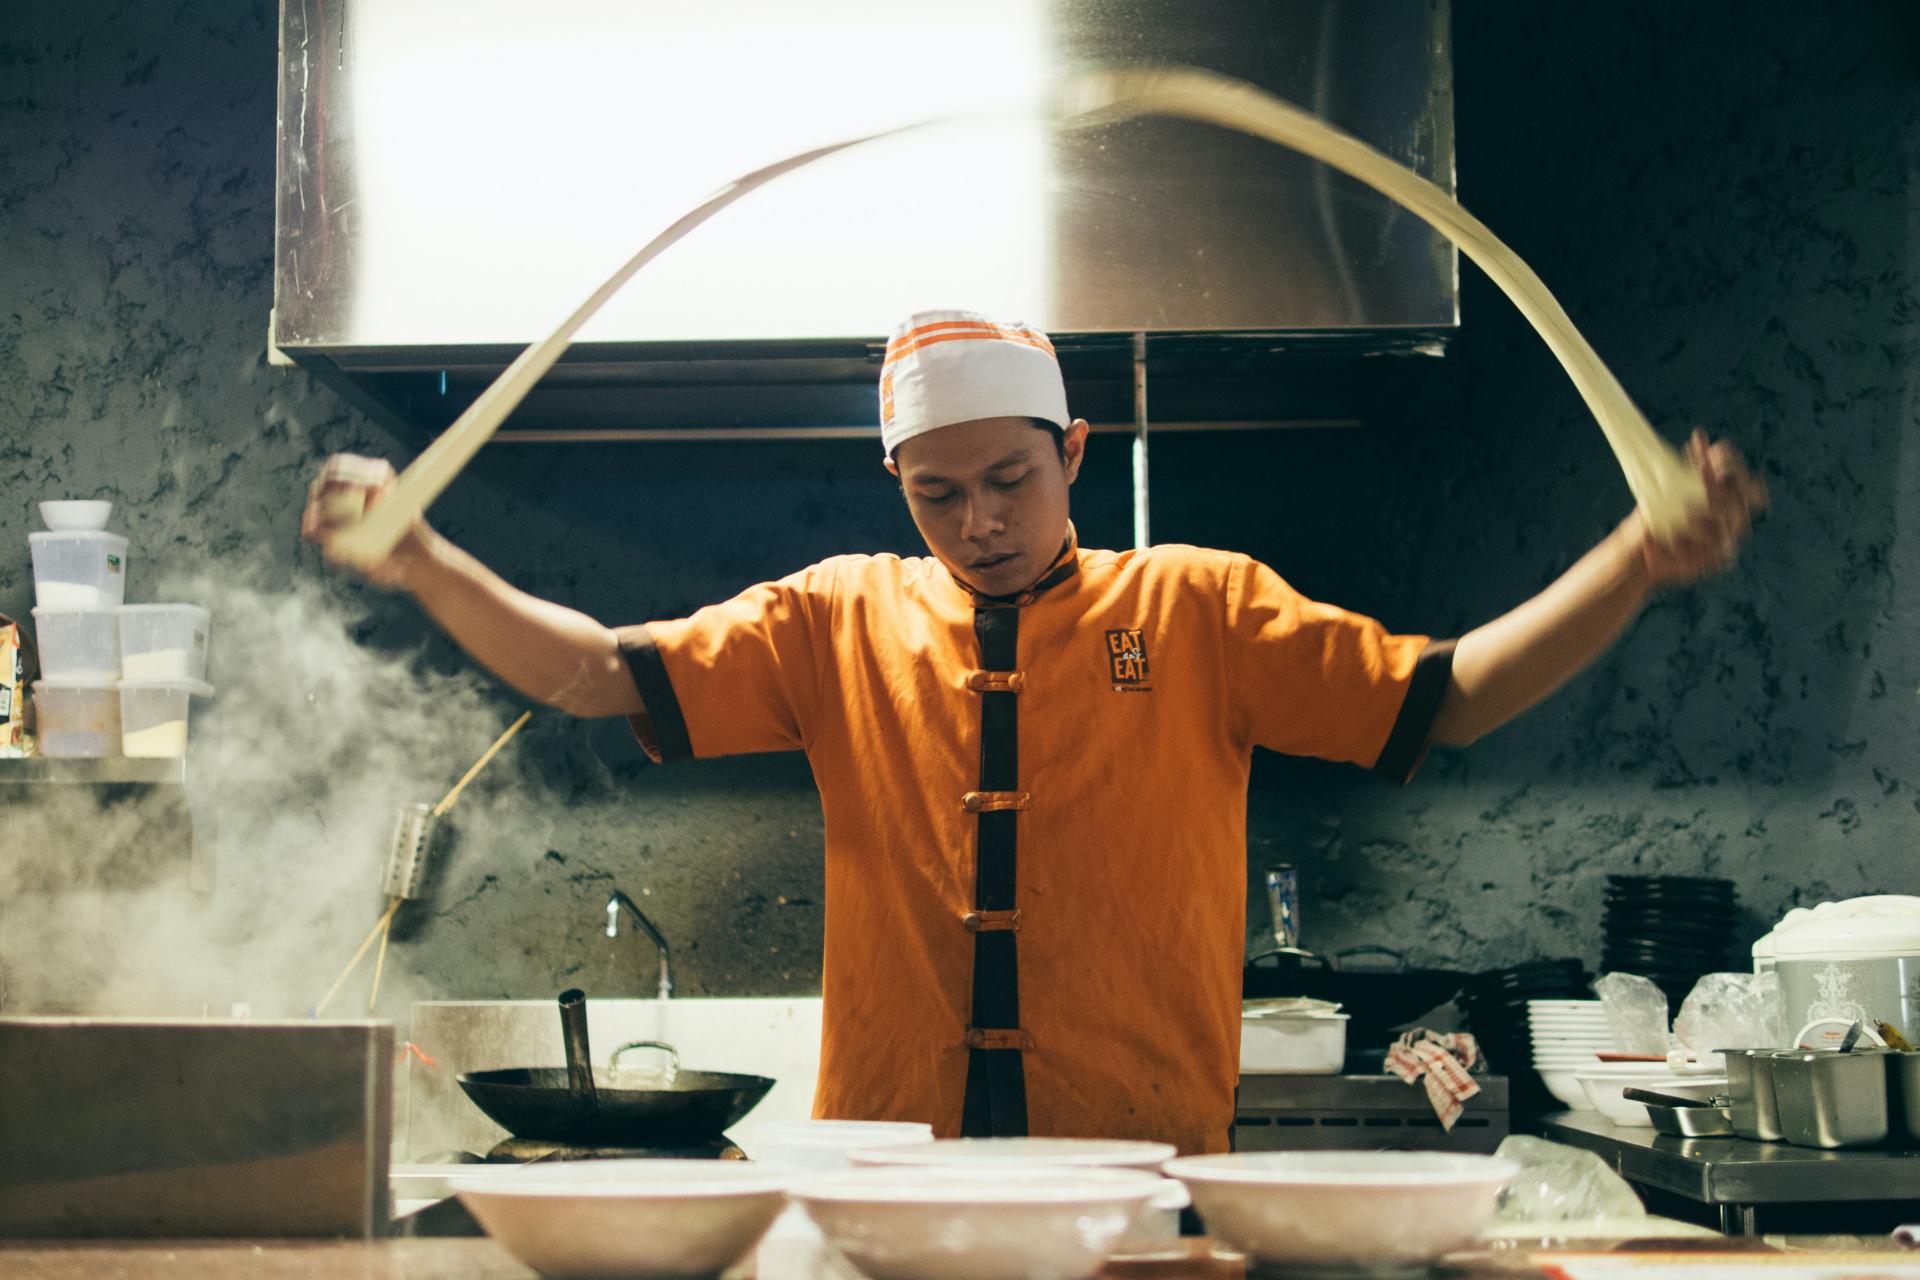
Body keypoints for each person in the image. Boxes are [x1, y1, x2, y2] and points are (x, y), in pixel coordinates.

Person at [304, 309, 1767, 1155]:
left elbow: (1449, 700)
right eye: (936, 494)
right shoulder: (834, 618)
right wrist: (426, 562)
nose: (980, 522)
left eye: (1010, 477)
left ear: (1077, 452)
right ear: (897, 483)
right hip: (894, 1172)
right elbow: (599, 677)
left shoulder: (1199, 608)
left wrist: (1636, 561)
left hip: (1140, 1164)